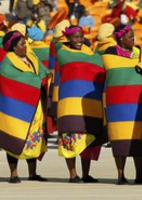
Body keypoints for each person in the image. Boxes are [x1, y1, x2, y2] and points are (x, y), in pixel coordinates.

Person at [0, 30, 49, 183]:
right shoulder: (8, 62)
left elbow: (43, 73)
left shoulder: (31, 58)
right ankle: (13, 174)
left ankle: (32, 173)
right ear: (14, 47)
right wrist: (35, 80)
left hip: (35, 106)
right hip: (15, 108)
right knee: (14, 138)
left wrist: (40, 79)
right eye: (22, 44)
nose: (25, 46)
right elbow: (14, 80)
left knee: (33, 139)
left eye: (25, 43)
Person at [101, 24, 142, 185]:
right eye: (130, 37)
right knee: (120, 138)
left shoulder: (139, 52)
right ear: (120, 39)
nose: (134, 39)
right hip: (118, 103)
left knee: (139, 139)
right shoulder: (110, 54)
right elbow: (113, 72)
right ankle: (121, 175)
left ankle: (140, 175)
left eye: (134, 36)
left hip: (139, 102)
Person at [56, 25, 106, 183]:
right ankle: (73, 174)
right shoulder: (63, 52)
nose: (79, 40)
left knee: (87, 138)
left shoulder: (90, 53)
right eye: (75, 37)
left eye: (81, 36)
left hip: (88, 104)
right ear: (68, 38)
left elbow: (98, 65)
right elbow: (85, 63)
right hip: (69, 103)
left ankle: (86, 174)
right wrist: (92, 61)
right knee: (70, 138)